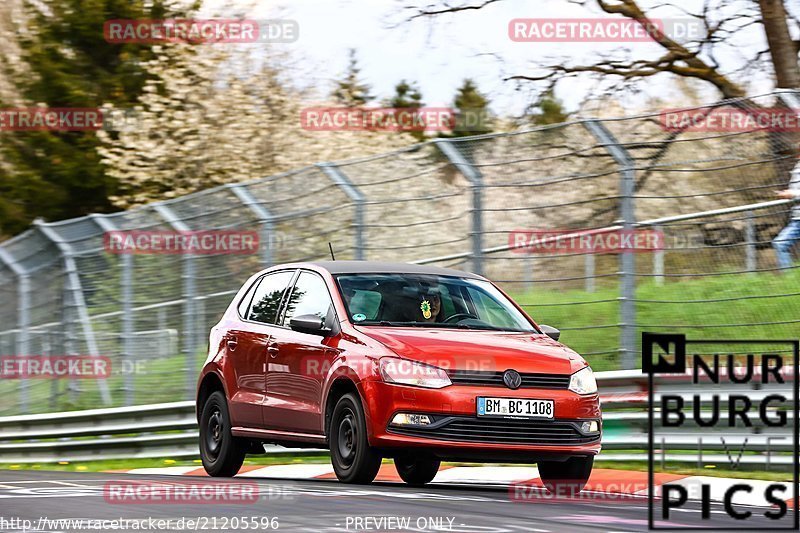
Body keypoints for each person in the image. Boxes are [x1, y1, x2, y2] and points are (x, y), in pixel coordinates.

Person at [773, 161, 800, 270]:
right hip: (797, 219)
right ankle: (789, 280)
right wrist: (788, 192)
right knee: (780, 243)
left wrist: (792, 194)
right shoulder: (798, 164)